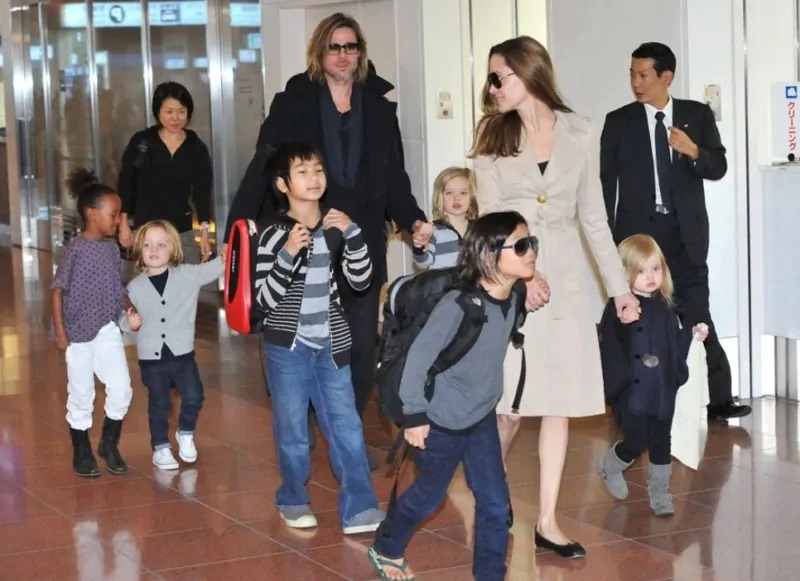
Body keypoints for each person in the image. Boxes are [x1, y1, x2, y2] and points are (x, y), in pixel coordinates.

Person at [224, 14, 433, 461]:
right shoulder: (294, 101)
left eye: (351, 47)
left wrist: (412, 219)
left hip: (359, 241)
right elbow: (264, 165)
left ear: (361, 52)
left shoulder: (378, 107)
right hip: (306, 241)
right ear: (320, 54)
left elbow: (394, 175)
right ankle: (308, 427)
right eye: (335, 47)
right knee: (306, 341)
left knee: (359, 345)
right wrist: (238, 228)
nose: (343, 55)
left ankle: (348, 437)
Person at [470, 35, 640, 558]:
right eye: (492, 78)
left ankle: (547, 519)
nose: (493, 87)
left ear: (530, 74)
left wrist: (619, 291)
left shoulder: (580, 132)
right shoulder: (491, 140)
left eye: (502, 76)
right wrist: (525, 275)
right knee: (510, 408)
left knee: (559, 406)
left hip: (566, 286)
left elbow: (593, 218)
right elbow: (490, 224)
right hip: (512, 284)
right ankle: (491, 503)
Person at [368, 211, 535, 581]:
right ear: (490, 256)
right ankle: (387, 546)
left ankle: (490, 575)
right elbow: (418, 359)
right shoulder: (457, 305)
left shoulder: (513, 297)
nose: (530, 253)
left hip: (479, 419)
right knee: (429, 497)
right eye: (521, 246)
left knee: (494, 503)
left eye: (531, 244)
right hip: (439, 420)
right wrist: (413, 415)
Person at [600, 42, 751, 423]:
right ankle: (627, 399)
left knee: (698, 311)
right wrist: (606, 236)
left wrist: (693, 150)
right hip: (638, 239)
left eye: (643, 74)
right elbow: (605, 181)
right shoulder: (618, 121)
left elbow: (718, 166)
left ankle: (719, 399)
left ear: (666, 77)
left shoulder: (696, 115)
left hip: (684, 233)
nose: (635, 82)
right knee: (634, 318)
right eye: (632, 74)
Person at [253, 142, 384, 534]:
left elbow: (361, 282)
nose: (314, 178)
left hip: (330, 342)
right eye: (303, 172)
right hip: (287, 347)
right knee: (293, 429)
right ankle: (292, 498)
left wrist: (354, 235)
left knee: (346, 424)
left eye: (318, 170)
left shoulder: (335, 227)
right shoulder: (274, 234)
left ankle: (359, 507)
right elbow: (264, 299)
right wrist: (289, 253)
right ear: (282, 184)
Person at [597, 234, 709, 517]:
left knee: (661, 441)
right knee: (636, 441)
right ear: (624, 274)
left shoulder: (666, 308)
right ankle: (611, 465)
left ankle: (660, 493)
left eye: (656, 269)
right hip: (632, 392)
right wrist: (623, 323)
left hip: (661, 389)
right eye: (641, 271)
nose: (650, 277)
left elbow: (674, 346)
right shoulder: (619, 308)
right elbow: (611, 343)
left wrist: (692, 337)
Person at [51, 168, 136, 478]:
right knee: (82, 393)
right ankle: (82, 448)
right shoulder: (75, 249)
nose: (117, 221)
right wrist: (60, 331)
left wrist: (130, 308)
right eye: (113, 215)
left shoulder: (112, 249)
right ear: (91, 213)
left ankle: (109, 444)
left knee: (122, 388)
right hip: (77, 335)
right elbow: (57, 291)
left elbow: (116, 287)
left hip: (105, 329)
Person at [124, 220, 224, 470]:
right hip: (152, 358)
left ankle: (186, 432)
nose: (153, 250)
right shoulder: (134, 287)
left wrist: (231, 250)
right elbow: (123, 320)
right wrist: (130, 323)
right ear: (139, 250)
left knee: (194, 395)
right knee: (160, 403)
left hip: (182, 354)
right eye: (147, 245)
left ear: (173, 250)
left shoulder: (188, 275)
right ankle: (160, 447)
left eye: (161, 244)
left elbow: (217, 266)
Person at [117, 81, 214, 264]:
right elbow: (126, 184)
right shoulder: (142, 142)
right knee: (151, 288)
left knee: (186, 288)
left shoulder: (195, 147)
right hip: (146, 231)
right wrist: (123, 224)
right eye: (169, 112)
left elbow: (202, 191)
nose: (175, 118)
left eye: (181, 112)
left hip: (181, 232)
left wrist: (204, 233)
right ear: (158, 112)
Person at [412, 166, 478, 270]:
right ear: (440, 198)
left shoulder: (478, 229)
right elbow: (423, 263)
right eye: (449, 193)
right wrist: (419, 247)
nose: (457, 198)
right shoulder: (434, 230)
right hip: (444, 285)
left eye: (463, 193)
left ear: (472, 198)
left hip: (471, 285)